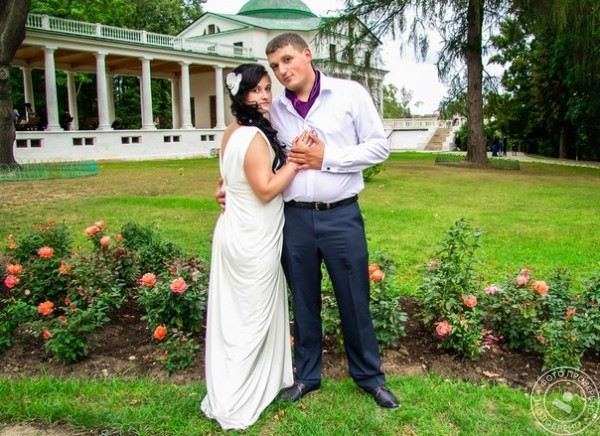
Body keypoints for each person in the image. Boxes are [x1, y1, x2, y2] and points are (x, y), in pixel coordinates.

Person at [216, 33, 399, 409]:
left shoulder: (349, 94)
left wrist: (326, 158)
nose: (281, 71)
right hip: (293, 218)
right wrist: (226, 184)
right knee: (303, 301)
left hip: (341, 215)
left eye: (287, 60)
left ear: (307, 54)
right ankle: (307, 376)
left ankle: (370, 377)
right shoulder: (274, 109)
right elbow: (241, 138)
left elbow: (379, 146)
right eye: (274, 66)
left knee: (354, 299)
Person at [201, 63, 302, 430]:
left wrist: (221, 190)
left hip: (232, 230)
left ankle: (251, 380)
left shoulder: (231, 131)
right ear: (239, 94)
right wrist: (296, 163)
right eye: (255, 90)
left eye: (266, 88)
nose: (263, 96)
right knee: (251, 317)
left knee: (236, 316)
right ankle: (238, 395)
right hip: (253, 237)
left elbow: (227, 179)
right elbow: (265, 189)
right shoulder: (255, 136)